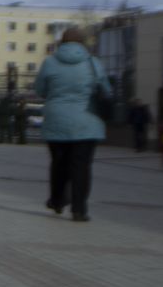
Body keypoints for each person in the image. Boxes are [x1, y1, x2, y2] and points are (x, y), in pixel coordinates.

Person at [33, 26, 111, 222]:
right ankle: (79, 210)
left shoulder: (49, 63)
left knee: (59, 164)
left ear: (61, 43)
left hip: (56, 120)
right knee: (82, 167)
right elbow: (107, 91)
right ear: (83, 44)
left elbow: (39, 89)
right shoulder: (94, 63)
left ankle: (57, 200)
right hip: (87, 122)